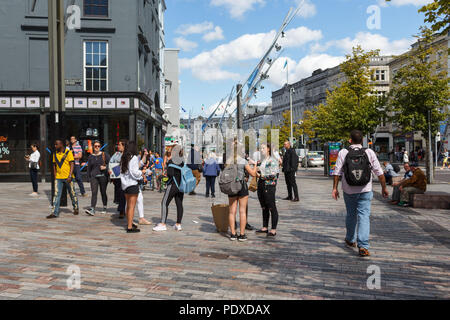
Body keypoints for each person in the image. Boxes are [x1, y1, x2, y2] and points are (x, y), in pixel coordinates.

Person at [332, 130, 389, 257]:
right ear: (362, 140)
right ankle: (363, 246)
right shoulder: (369, 152)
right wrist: (384, 188)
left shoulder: (343, 152)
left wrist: (334, 188)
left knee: (351, 214)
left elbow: (337, 172)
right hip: (365, 189)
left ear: (350, 140)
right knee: (364, 216)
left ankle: (350, 239)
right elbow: (379, 173)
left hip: (349, 190)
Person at [226, 140, 258, 242]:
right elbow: (253, 174)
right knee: (242, 211)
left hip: (231, 186)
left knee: (232, 212)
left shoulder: (229, 160)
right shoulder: (243, 161)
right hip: (242, 186)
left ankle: (233, 234)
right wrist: (255, 165)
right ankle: (242, 234)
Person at [153, 145, 185, 232]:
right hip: (180, 186)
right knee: (179, 204)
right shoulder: (182, 161)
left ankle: (163, 224)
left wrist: (162, 177)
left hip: (172, 185)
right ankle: (178, 224)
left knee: (164, 203)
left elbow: (170, 175)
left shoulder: (172, 161)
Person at [47, 139, 79, 219]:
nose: (55, 146)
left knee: (72, 193)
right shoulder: (55, 154)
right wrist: (55, 176)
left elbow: (72, 164)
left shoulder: (68, 153)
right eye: (54, 144)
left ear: (61, 144)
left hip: (68, 177)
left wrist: (70, 176)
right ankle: (54, 212)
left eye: (56, 144)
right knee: (56, 195)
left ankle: (75, 208)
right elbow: (54, 165)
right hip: (58, 178)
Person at [120, 141, 146, 233]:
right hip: (132, 184)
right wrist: (142, 173)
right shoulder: (133, 158)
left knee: (128, 206)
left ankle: (129, 223)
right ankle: (130, 227)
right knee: (131, 207)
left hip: (125, 185)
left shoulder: (124, 157)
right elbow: (134, 172)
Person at [256, 144, 280, 237]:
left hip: (269, 186)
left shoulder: (272, 160)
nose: (261, 150)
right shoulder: (262, 160)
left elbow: (274, 175)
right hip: (261, 184)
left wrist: (261, 176)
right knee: (264, 207)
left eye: (263, 148)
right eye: (260, 148)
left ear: (268, 149)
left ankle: (273, 229)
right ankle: (265, 227)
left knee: (271, 207)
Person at [85, 141, 110, 216]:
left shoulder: (104, 155)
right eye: (95, 146)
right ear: (93, 147)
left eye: (98, 146)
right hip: (94, 177)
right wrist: (88, 177)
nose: (97, 148)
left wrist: (105, 167)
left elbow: (111, 164)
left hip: (103, 176)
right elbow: (89, 168)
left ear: (100, 146)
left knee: (103, 192)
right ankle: (92, 209)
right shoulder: (90, 157)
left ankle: (105, 207)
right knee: (94, 192)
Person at [109, 140, 126, 219]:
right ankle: (122, 209)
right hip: (117, 177)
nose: (118, 146)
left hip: (125, 177)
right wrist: (110, 169)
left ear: (124, 146)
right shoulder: (116, 154)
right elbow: (111, 162)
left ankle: (122, 210)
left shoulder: (127, 155)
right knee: (119, 193)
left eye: (119, 145)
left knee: (123, 193)